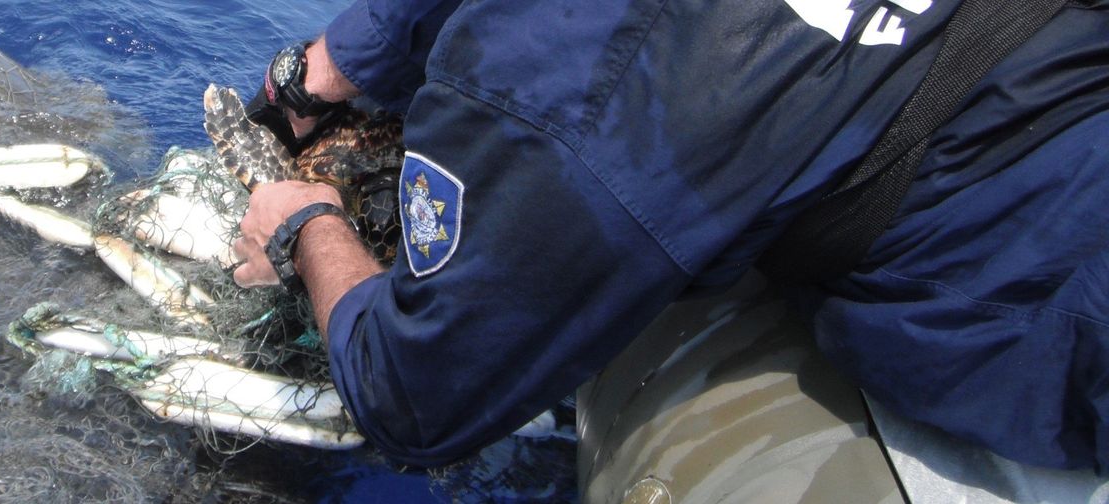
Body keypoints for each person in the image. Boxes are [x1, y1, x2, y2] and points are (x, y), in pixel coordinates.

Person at [228, 0, 1109, 471]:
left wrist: (307, 223)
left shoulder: (586, 90)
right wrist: (328, 70)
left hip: (1052, 304)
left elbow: (413, 396)